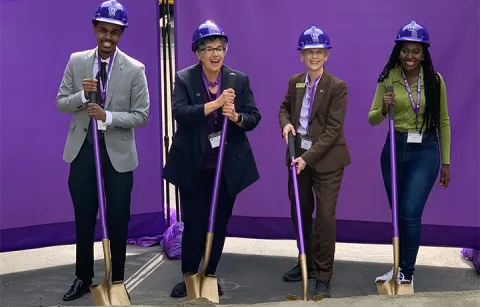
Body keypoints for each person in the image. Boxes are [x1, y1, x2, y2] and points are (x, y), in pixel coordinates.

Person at [55, 0, 150, 301]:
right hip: (83, 153)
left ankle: (117, 279)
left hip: (118, 157)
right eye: (103, 31)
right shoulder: (77, 61)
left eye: (115, 33)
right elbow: (61, 102)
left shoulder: (135, 69)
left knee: (119, 218)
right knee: (84, 217)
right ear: (94, 29)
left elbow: (142, 115)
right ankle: (83, 277)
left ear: (121, 33)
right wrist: (83, 95)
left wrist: (107, 117)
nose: (108, 38)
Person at [162, 20, 262, 298]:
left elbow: (254, 117)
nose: (215, 54)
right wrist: (215, 105)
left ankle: (210, 273)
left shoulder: (238, 79)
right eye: (208, 49)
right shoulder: (184, 78)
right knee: (194, 224)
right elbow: (180, 113)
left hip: (226, 167)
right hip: (194, 165)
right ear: (197, 53)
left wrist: (237, 117)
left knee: (218, 224)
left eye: (220, 48)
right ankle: (189, 276)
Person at [368, 21, 451, 291]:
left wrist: (445, 161)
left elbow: (444, 122)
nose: (410, 56)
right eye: (406, 50)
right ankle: (397, 265)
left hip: (425, 150)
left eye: (416, 51)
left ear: (424, 53)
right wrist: (383, 107)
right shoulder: (389, 78)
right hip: (394, 147)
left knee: (411, 211)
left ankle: (406, 272)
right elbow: (371, 119)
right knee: (398, 214)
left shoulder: (435, 81)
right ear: (398, 52)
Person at [278, 26, 351, 298]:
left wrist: (307, 158)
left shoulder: (338, 87)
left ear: (327, 55)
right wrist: (286, 124)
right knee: (300, 211)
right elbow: (284, 109)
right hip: (298, 156)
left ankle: (323, 274)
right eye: (309, 52)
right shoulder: (295, 81)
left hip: (327, 160)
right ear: (301, 56)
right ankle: (304, 261)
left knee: (325, 217)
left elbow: (333, 130)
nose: (314, 56)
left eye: (319, 52)